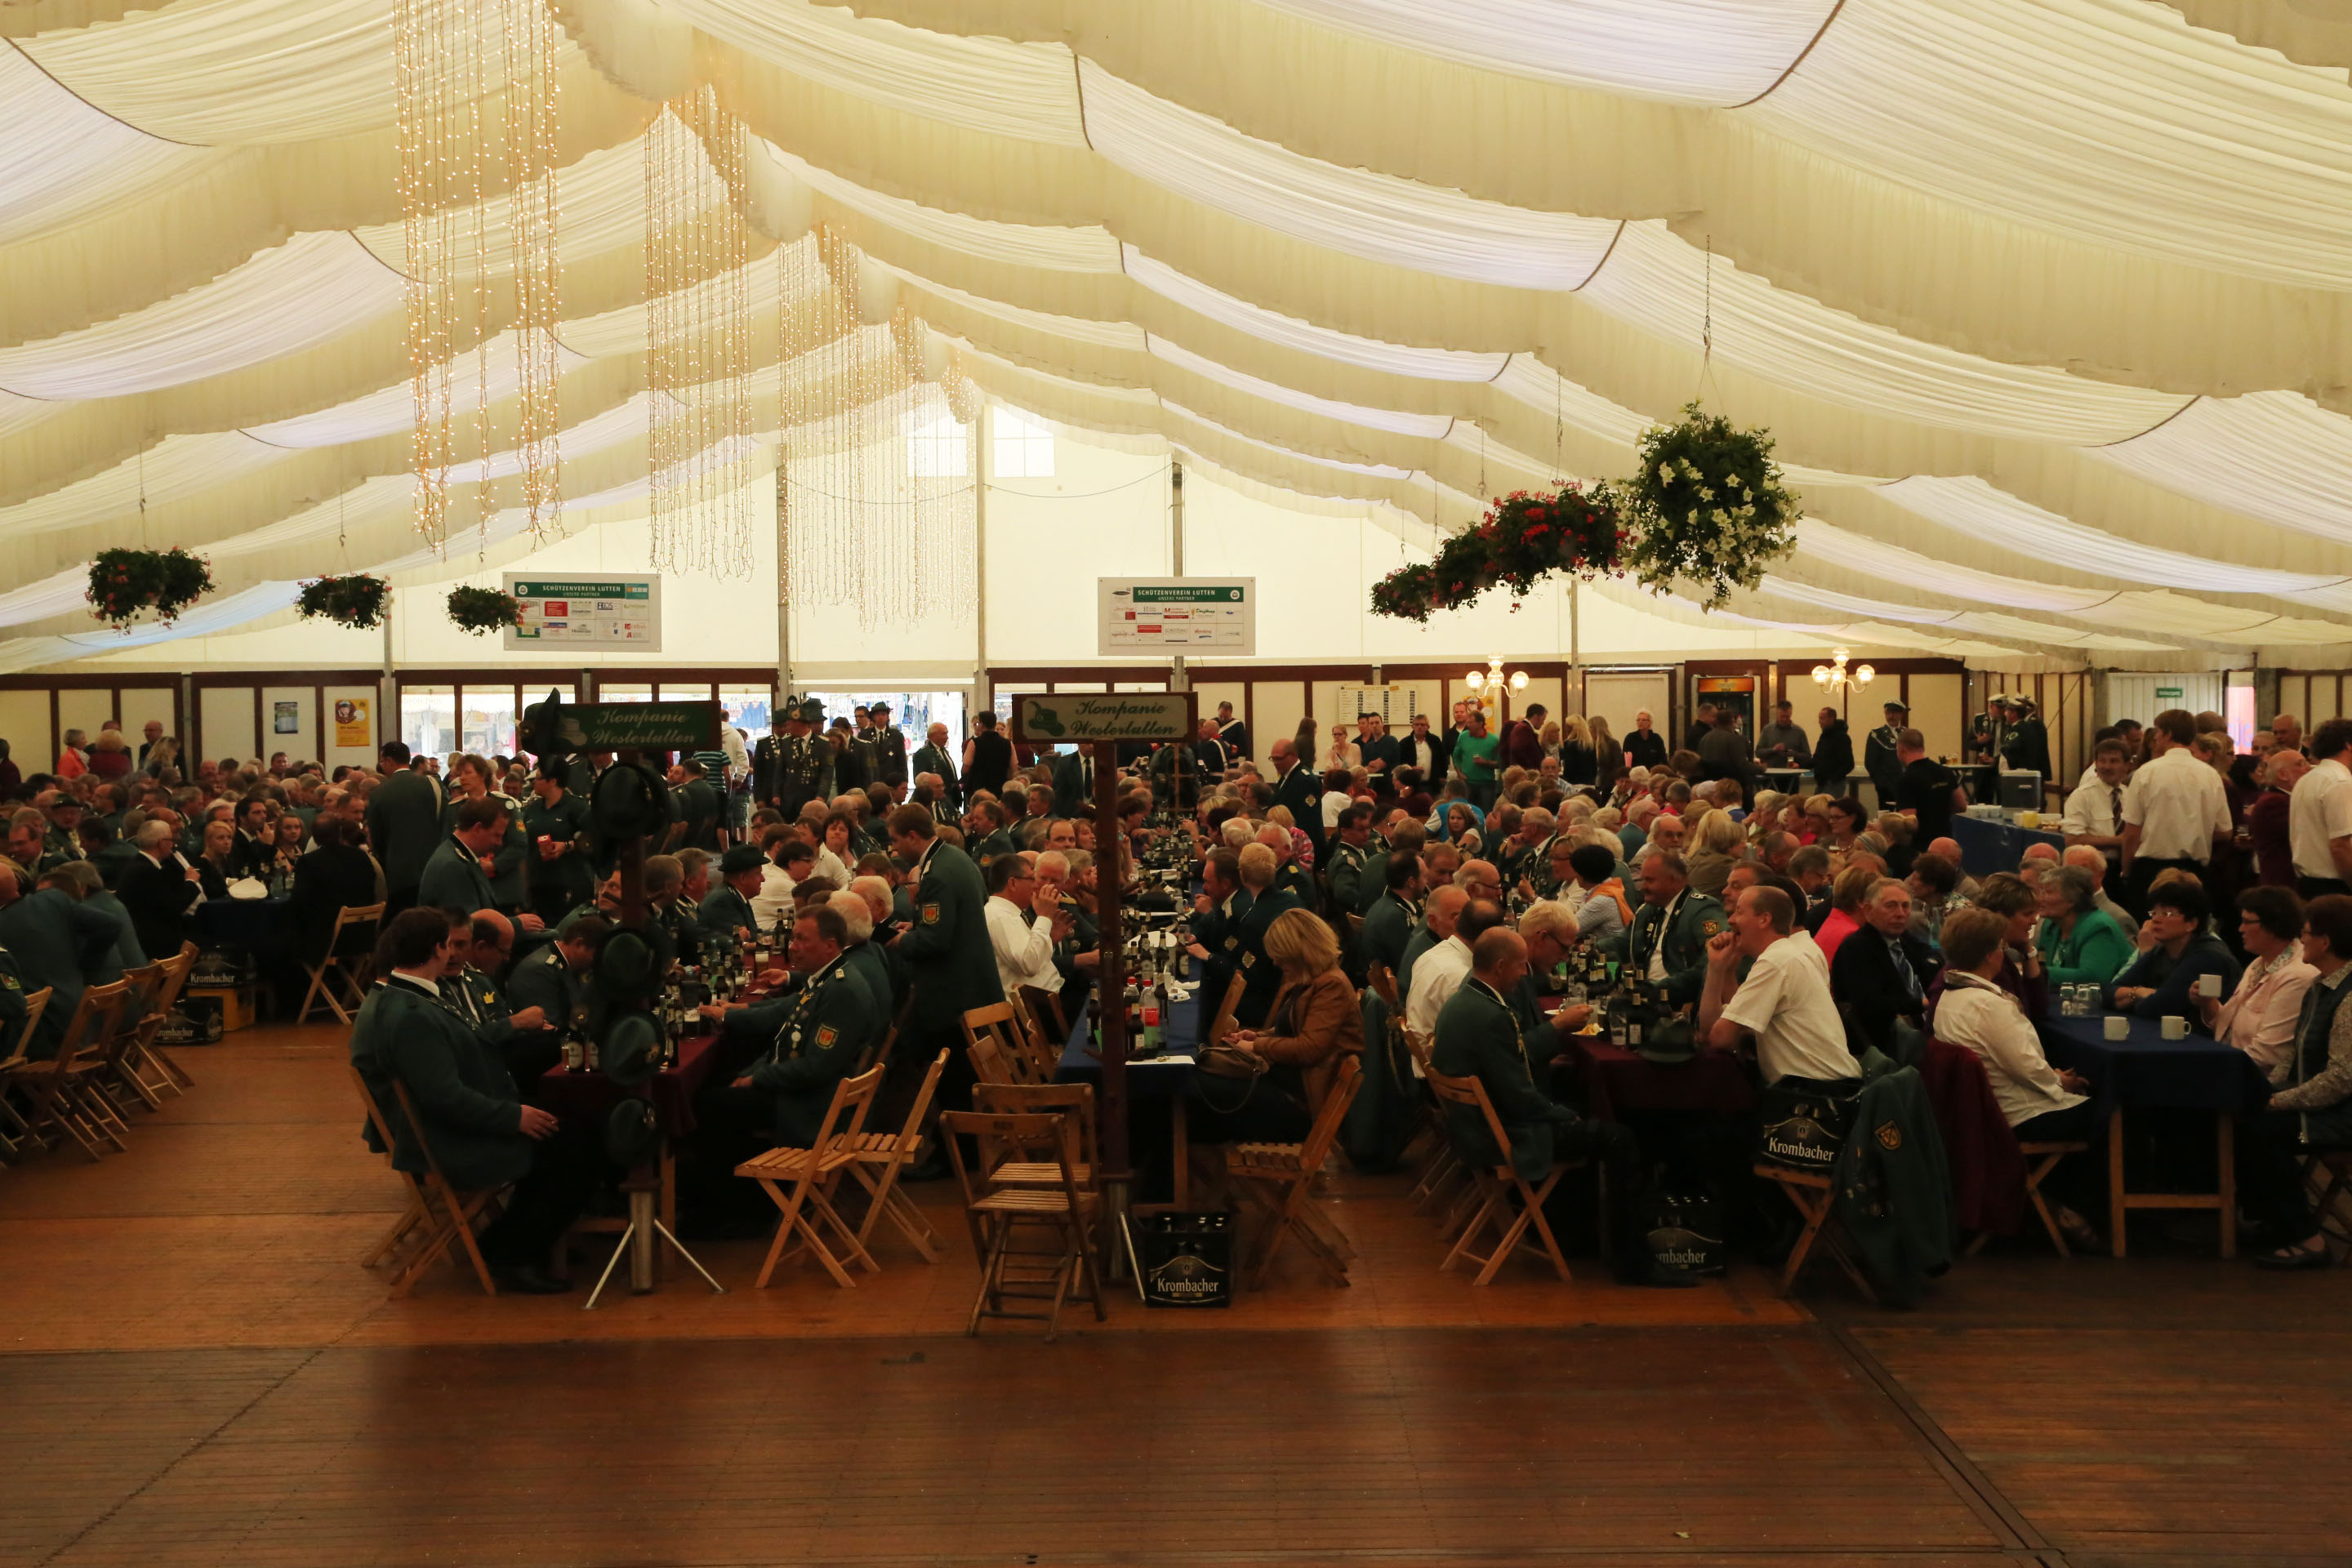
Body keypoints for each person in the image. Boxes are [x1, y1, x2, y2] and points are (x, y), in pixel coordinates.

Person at [348, 907, 600, 1294]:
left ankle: (514, 1240)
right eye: (448, 945)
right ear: (438, 948)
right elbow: (444, 1098)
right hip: (451, 1140)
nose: (453, 953)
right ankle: (515, 1254)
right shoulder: (411, 1012)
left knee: (570, 1126)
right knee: (575, 1148)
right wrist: (513, 1116)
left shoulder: (414, 996)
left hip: (460, 1123)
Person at [2235, 893, 2352, 1268]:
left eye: (2306, 933)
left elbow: (2341, 1079)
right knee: (2241, 1112)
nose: (2301, 940)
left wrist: (2278, 1100)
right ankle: (2272, 1220)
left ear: (2326, 942)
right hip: (2320, 1103)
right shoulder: (2321, 985)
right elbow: (2294, 1052)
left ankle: (2306, 1237)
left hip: (2342, 1115)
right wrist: (2268, 1089)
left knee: (2263, 1130)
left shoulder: (2348, 997)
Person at [1197, 908, 1361, 1145]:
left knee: (1200, 1088)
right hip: (1285, 1082)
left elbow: (1309, 1048)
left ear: (1300, 952)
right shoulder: (1312, 979)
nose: (1275, 962)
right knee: (1200, 1083)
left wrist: (1257, 1046)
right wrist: (1257, 1037)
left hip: (1302, 1102)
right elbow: (1294, 1028)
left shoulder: (1331, 987)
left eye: (1280, 956)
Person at [885, 803, 1002, 1109]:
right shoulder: (957, 857)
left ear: (912, 836)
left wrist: (901, 940)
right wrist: (918, 926)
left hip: (953, 997)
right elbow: (962, 916)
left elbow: (935, 941)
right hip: (973, 988)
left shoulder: (936, 873)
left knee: (956, 1089)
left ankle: (960, 1138)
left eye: (895, 840)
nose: (894, 849)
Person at [1699, 884, 1864, 1086]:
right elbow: (1722, 1029)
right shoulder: (1786, 954)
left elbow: (1718, 1039)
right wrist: (1718, 969)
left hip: (1817, 1092)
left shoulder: (1776, 961)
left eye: (1739, 912)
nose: (1731, 920)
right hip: (1823, 1085)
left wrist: (1717, 972)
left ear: (1764, 920)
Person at [2120, 709, 2232, 915]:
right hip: (2194, 871)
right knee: (2189, 927)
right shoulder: (2210, 775)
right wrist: (2194, 832)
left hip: (2151, 870)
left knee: (2151, 928)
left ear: (2168, 734)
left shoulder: (2147, 772)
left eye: (2158, 732)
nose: (2155, 737)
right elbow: (2225, 832)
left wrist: (2127, 870)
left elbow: (2132, 831)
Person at [2203, 886, 2317, 1071]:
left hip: (2255, 1078)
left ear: (2273, 925)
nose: (2240, 929)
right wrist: (2207, 1002)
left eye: (2247, 922)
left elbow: (2268, 1053)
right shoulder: (2259, 963)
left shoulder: (2297, 976)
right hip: (2233, 1064)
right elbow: (2228, 1030)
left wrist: (2214, 1069)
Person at [1830, 877, 1937, 1055]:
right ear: (1868, 910)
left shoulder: (1903, 939)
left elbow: (1933, 958)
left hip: (1920, 1031)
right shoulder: (1856, 948)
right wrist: (1922, 1003)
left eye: (1905, 906)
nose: (1900, 913)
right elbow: (1871, 1005)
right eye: (1891, 906)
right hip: (1885, 1046)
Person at [2107, 880, 2240, 1018]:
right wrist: (2139, 992)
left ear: (2191, 923)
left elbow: (2157, 1007)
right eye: (2154, 913)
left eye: (2167, 914)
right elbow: (2108, 993)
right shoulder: (2160, 950)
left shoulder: (2207, 956)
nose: (2156, 920)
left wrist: (2131, 998)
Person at [1624, 851, 1723, 1006]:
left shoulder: (1702, 909)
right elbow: (1624, 942)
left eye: (1649, 880)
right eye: (1643, 880)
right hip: (1642, 994)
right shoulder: (1648, 909)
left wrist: (1661, 988)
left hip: (1678, 1001)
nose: (1643, 886)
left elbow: (1711, 959)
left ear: (1673, 881)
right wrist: (1597, 949)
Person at [366, 742, 443, 915]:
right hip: (432, 864)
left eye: (382, 761)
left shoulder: (378, 792)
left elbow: (377, 837)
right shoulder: (431, 784)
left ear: (389, 761)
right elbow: (440, 821)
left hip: (398, 870)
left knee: (405, 917)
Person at [984, 852, 1068, 1003]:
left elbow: (1031, 956)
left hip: (1043, 1000)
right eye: (1031, 879)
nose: (1037, 885)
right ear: (1013, 883)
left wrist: (1049, 939)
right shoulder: (1000, 915)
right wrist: (1044, 917)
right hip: (1031, 1009)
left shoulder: (1007, 913)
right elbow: (1029, 964)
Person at [2034, 865, 2134, 987]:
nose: (2039, 899)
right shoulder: (2050, 925)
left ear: (2072, 899)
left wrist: (2035, 973)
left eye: (2048, 892)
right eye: (2041, 892)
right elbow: (2040, 963)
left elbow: (2092, 977)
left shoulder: (2098, 927)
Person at [118, 817, 203, 960]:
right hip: (154, 945)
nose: (173, 845)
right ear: (161, 843)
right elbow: (174, 906)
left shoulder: (139, 865)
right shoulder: (147, 871)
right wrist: (191, 882)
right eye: (170, 840)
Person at [2287, 716, 2352, 899]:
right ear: (2348, 745)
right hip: (2335, 885)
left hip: (2307, 881)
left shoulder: (2308, 779)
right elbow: (2339, 845)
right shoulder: (2340, 781)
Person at [2062, 739, 2132, 880]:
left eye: (2114, 761)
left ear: (2126, 766)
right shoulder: (2081, 796)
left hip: (2128, 867)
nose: (2107, 766)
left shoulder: (2131, 795)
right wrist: (2118, 840)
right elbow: (2073, 840)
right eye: (2102, 761)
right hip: (2093, 870)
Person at [1891, 728, 1962, 846]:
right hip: (1946, 841)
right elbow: (1961, 805)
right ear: (1923, 747)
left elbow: (1908, 821)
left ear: (1901, 749)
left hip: (1922, 845)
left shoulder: (1906, 780)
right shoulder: (1946, 771)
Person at [1861, 702, 1907, 808]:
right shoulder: (1876, 734)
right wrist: (1881, 784)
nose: (1891, 716)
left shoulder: (1907, 733)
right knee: (1886, 815)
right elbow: (1870, 763)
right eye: (1889, 713)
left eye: (1895, 713)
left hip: (1905, 785)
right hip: (1886, 787)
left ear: (1901, 714)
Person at [963, 710, 1013, 802]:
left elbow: (966, 767)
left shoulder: (974, 743)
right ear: (995, 724)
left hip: (978, 789)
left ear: (981, 724)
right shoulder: (1008, 744)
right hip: (1000, 788)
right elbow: (1014, 767)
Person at [1756, 701, 1811, 772]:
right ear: (1777, 714)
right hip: (1771, 774)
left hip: (1792, 774)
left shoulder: (1799, 732)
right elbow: (1758, 753)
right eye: (1782, 716)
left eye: (1787, 717)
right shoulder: (1767, 730)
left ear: (1791, 714)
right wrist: (1773, 750)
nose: (1784, 719)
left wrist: (1794, 754)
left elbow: (1808, 756)